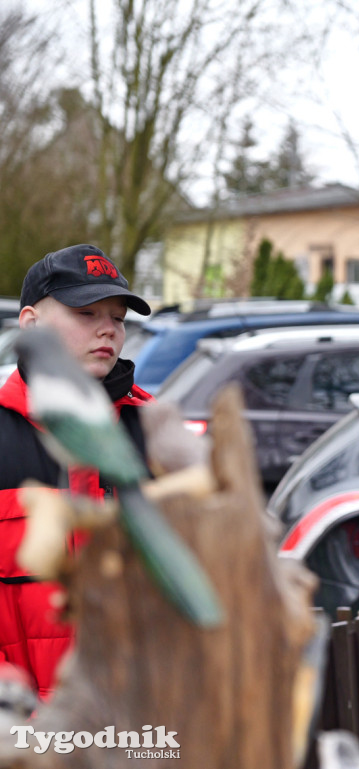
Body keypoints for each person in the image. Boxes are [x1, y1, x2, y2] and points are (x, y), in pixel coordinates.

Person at [0, 244, 153, 700]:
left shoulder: (153, 433)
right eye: (86, 313)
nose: (109, 329)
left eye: (119, 317)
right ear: (31, 324)